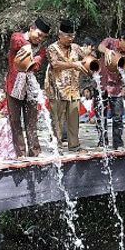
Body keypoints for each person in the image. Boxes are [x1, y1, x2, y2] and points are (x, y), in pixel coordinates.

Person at [5, 18, 50, 157]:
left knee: (32, 122)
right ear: (31, 28)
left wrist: (35, 60)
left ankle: (35, 153)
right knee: (15, 122)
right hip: (13, 87)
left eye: (44, 37)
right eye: (39, 34)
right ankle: (21, 154)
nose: (40, 38)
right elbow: (16, 40)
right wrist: (28, 46)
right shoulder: (17, 38)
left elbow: (36, 64)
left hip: (30, 88)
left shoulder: (41, 49)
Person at [45, 19, 89, 153]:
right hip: (57, 89)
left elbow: (87, 58)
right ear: (60, 35)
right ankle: (57, 146)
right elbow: (55, 64)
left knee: (74, 119)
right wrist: (74, 65)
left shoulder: (75, 48)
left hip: (74, 89)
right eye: (68, 36)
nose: (71, 38)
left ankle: (74, 145)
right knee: (57, 120)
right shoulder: (52, 48)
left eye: (73, 36)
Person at [98, 30, 125, 149]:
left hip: (117, 87)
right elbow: (100, 46)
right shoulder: (110, 42)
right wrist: (107, 51)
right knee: (101, 114)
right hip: (102, 83)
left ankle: (117, 142)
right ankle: (103, 141)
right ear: (121, 39)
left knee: (118, 116)